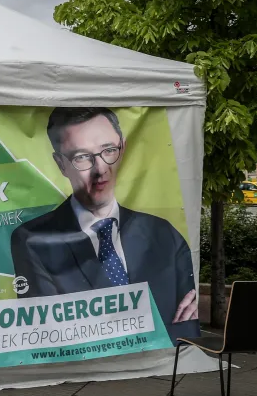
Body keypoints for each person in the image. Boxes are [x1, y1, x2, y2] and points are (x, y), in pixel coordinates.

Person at [10, 107, 198, 344]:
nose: (100, 170)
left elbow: (188, 328)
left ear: (123, 148)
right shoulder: (31, 240)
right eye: (82, 157)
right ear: (61, 164)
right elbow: (49, 334)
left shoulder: (164, 234)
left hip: (161, 365)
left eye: (109, 151)